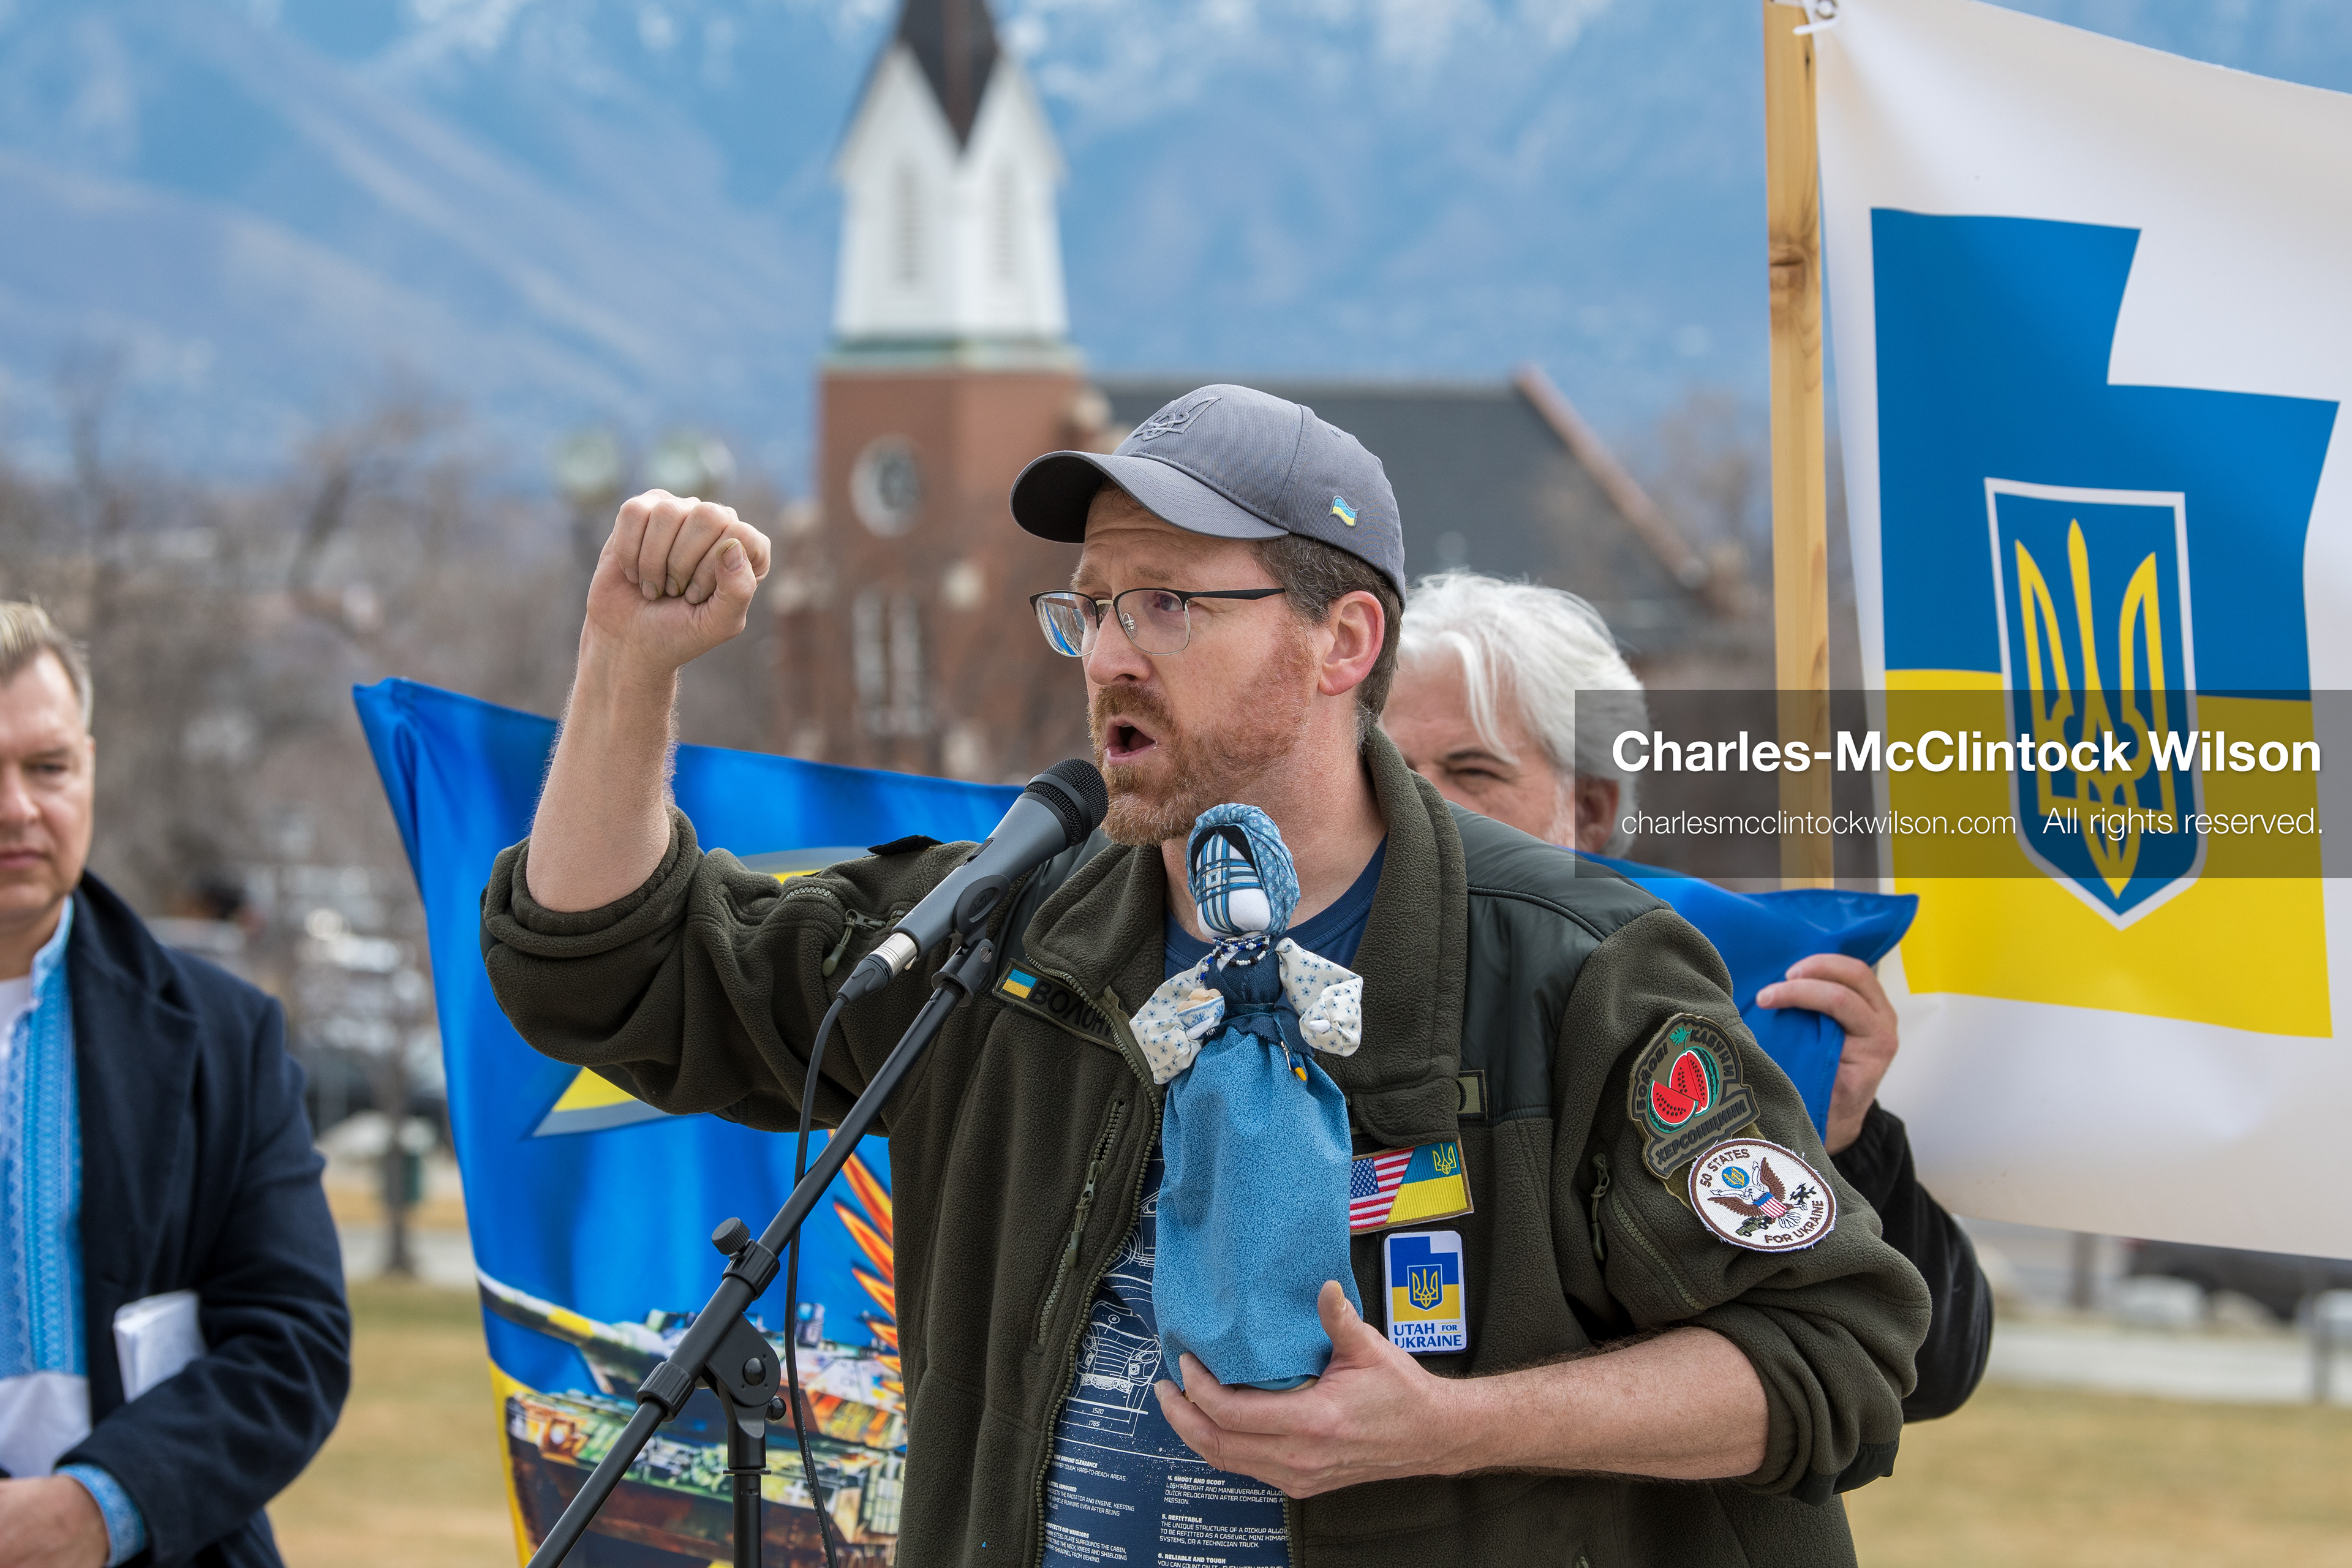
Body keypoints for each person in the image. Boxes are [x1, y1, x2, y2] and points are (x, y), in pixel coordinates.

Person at [482, 385, 1929, 1566]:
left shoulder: (1570, 968)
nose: (1110, 652)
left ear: (1341, 639)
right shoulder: (996, 932)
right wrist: (627, 662)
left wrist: (1450, 1423)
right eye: (1093, 606)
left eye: (1170, 604)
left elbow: (1836, 1346)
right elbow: (614, 966)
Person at [1383, 570, 1992, 1420]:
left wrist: (1846, 1139)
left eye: (1471, 769)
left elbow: (1922, 1367)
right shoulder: (1277, 982)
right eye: (1385, 765)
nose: (1417, 803)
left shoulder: (1696, 1007)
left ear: (1588, 810)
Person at [0, 604, 350, 1568]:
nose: (18, 809)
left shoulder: (222, 1037)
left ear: (92, 769)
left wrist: (93, 1510)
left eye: (48, 767)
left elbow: (294, 1345)